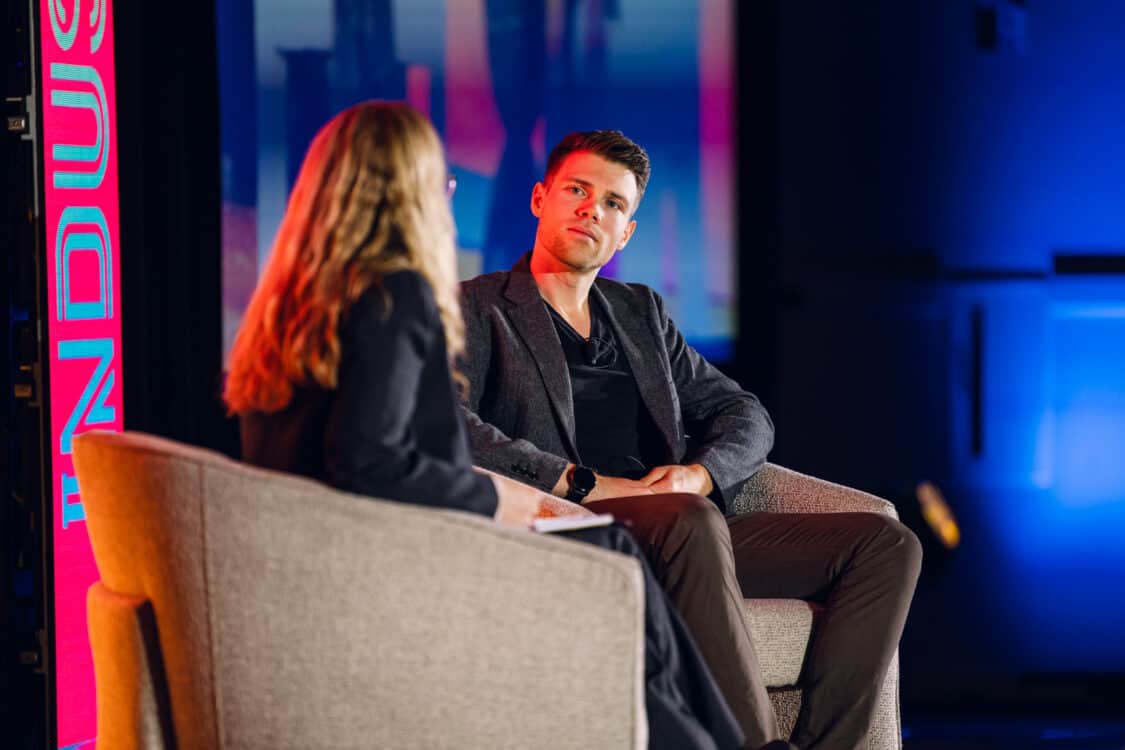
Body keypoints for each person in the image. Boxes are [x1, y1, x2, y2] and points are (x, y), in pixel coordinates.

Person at [223, 102, 761, 750]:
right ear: (401, 190)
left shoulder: (287, 305)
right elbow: (371, 461)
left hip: (326, 554)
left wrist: (694, 474)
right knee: (615, 561)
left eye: (613, 203)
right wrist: (498, 494)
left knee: (621, 572)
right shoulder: (401, 295)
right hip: (400, 559)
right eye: (438, 178)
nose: (450, 191)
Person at [458, 129, 924, 750]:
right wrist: (583, 482)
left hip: (683, 527)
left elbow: (743, 412)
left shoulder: (640, 312)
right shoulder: (479, 306)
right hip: (572, 524)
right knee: (689, 521)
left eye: (614, 203)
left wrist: (698, 476)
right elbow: (454, 426)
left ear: (624, 233)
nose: (592, 208)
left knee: (887, 544)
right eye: (577, 189)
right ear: (541, 198)